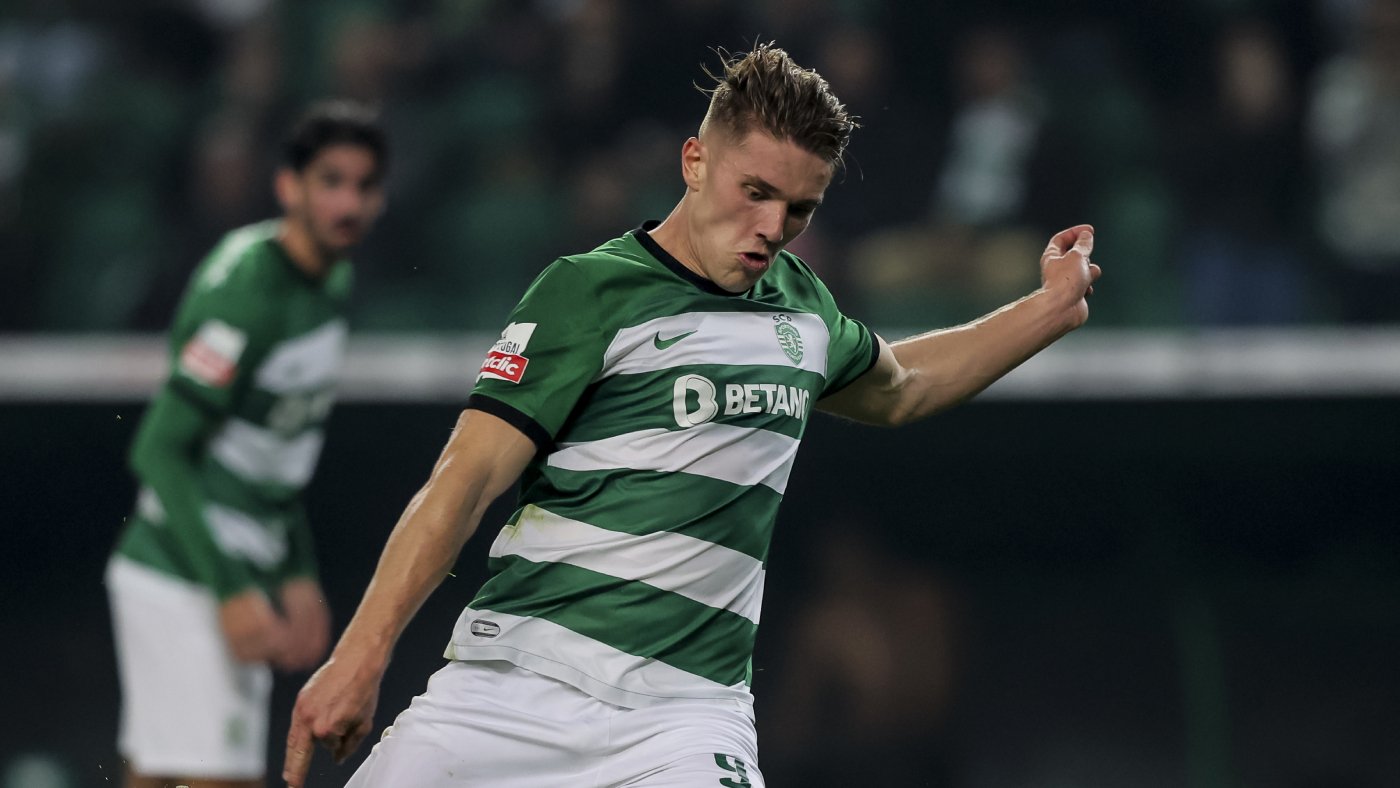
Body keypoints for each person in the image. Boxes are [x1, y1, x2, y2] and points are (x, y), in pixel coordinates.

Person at [285, 43, 1098, 788]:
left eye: (800, 208)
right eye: (756, 193)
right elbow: (461, 483)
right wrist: (361, 654)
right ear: (695, 162)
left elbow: (901, 384)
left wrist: (1049, 310)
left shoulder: (803, 308)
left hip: (686, 716)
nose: (773, 228)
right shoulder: (589, 291)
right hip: (513, 689)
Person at [104, 100, 388, 788]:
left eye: (364, 185)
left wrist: (294, 568)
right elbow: (158, 450)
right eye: (331, 181)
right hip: (186, 574)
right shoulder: (248, 290)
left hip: (225, 568)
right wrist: (231, 591)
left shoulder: (332, 282)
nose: (348, 203)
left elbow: (273, 457)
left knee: (155, 777)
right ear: (288, 186)